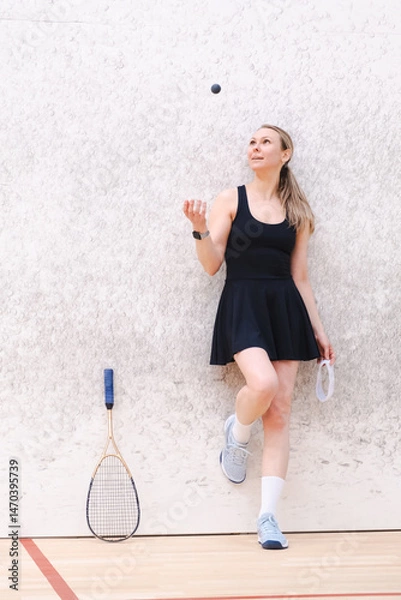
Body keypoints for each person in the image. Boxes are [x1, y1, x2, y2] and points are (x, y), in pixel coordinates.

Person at [183, 125, 335, 550]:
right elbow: (212, 263)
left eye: (266, 142)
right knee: (263, 385)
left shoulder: (298, 212)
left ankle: (267, 518)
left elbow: (300, 277)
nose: (255, 147)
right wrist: (198, 229)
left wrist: (319, 332)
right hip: (244, 303)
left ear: (285, 154)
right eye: (252, 141)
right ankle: (239, 432)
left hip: (285, 308)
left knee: (281, 412)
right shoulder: (230, 199)